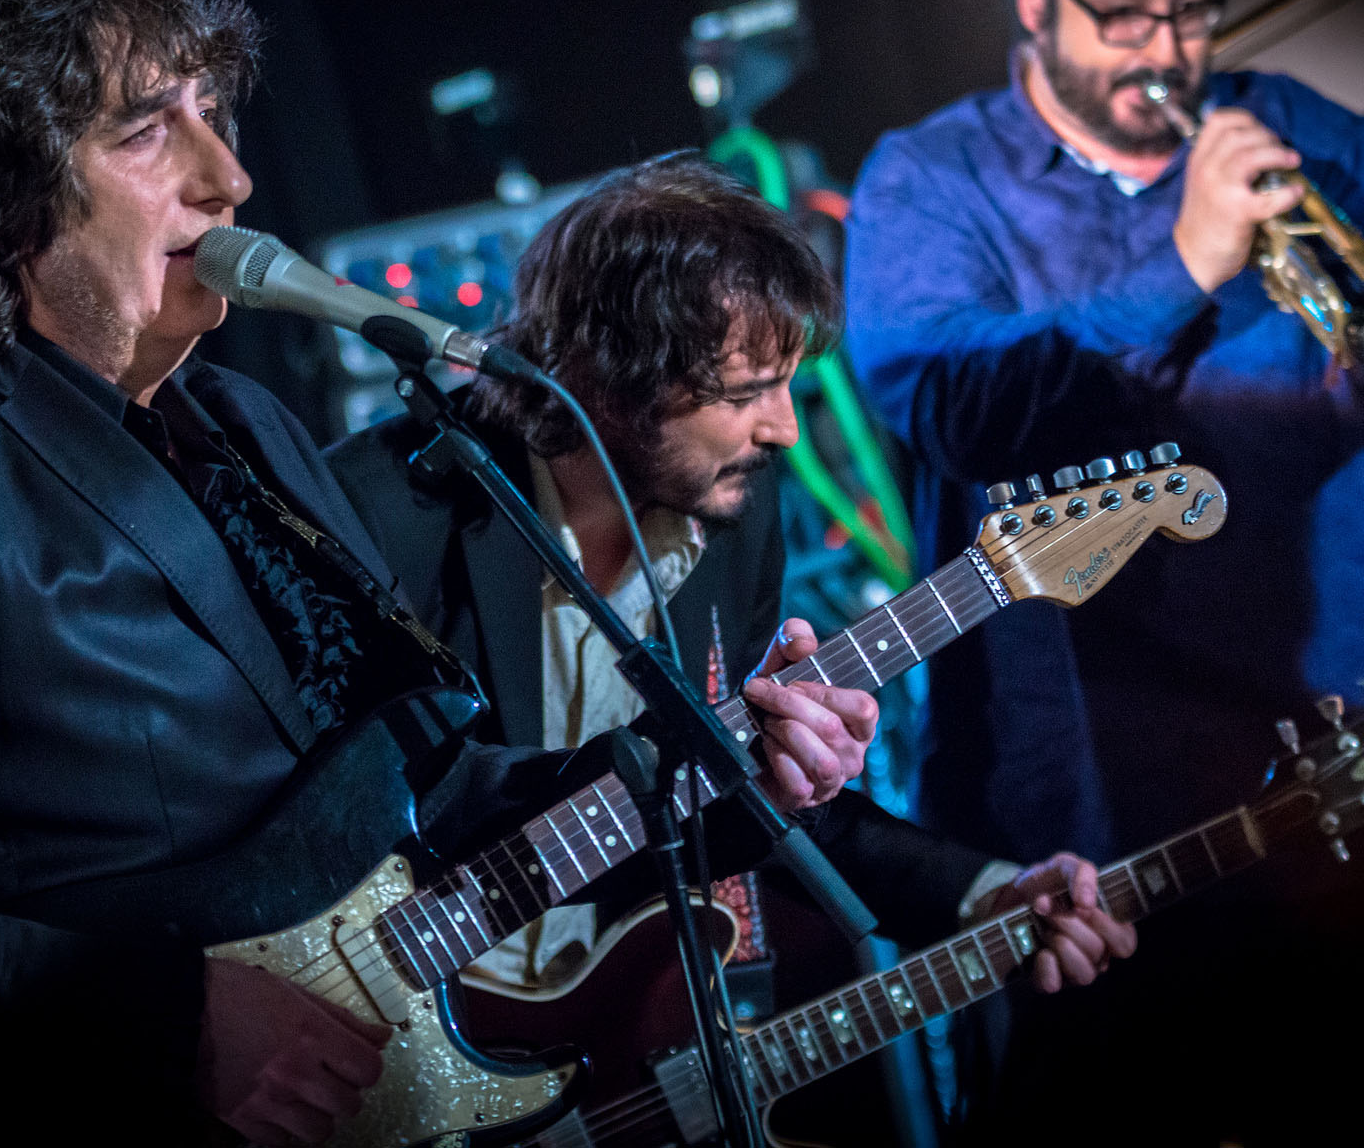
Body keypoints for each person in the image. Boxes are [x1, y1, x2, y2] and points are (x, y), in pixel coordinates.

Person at [0, 0, 860, 1148]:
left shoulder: (247, 427)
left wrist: (723, 771)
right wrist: (172, 1014)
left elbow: (437, 792)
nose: (228, 176)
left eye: (214, 114)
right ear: (0, 192)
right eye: (148, 130)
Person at [842, 0, 1364, 1145]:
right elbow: (956, 410)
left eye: (1192, 6)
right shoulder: (928, 183)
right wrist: (1187, 259)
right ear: (1035, 2)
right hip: (1079, 834)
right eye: (1124, 11)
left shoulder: (1306, 132)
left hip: (1347, 763)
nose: (1167, 48)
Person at [324, 154, 1135, 1135]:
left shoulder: (733, 511)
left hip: (573, 1061)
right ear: (605, 376)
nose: (785, 429)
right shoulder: (379, 510)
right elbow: (325, 813)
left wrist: (981, 890)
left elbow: (726, 790)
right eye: (747, 390)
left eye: (787, 382)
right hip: (360, 1061)